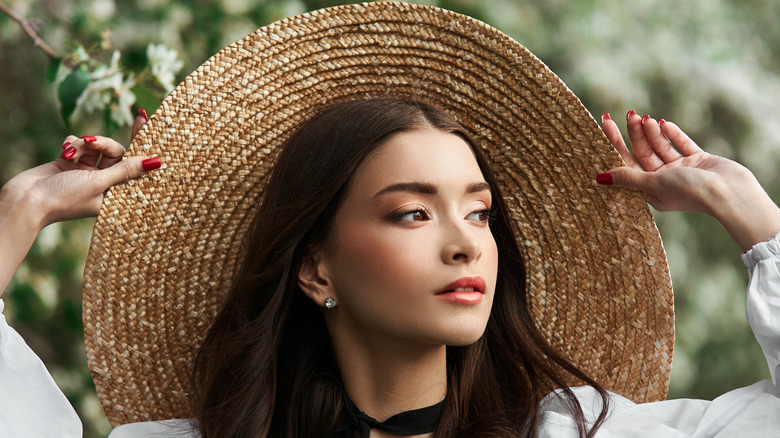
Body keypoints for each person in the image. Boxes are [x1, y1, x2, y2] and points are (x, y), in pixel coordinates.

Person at [2, 3, 780, 438]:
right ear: (315, 268)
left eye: (480, 213)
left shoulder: (578, 436)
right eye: (412, 211)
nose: (465, 242)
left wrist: (756, 222)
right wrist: (16, 215)